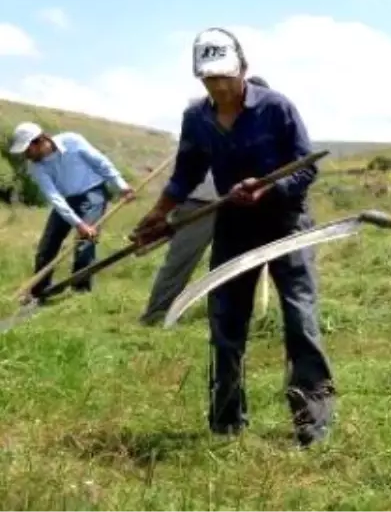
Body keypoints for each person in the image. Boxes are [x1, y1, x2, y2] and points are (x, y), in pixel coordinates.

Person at [130, 28, 335, 446]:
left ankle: (313, 427)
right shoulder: (197, 118)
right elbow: (186, 172)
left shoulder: (277, 108)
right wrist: (157, 215)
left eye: (225, 75)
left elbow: (306, 167)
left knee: (300, 320)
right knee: (226, 325)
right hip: (233, 225)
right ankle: (226, 425)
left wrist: (268, 187)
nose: (219, 85)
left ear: (243, 68)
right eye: (209, 78)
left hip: (286, 224)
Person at [138, 76, 272, 326]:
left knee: (232, 263)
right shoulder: (206, 117)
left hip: (233, 204)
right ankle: (156, 314)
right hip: (198, 201)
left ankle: (226, 316)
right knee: (180, 261)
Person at [9, 122, 134, 304]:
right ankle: (39, 293)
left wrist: (121, 186)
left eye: (27, 150)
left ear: (40, 141)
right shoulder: (35, 166)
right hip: (65, 201)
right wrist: (78, 223)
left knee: (85, 242)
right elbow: (54, 197)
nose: (26, 155)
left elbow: (100, 163)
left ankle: (79, 293)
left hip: (93, 194)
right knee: (48, 245)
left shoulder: (72, 141)